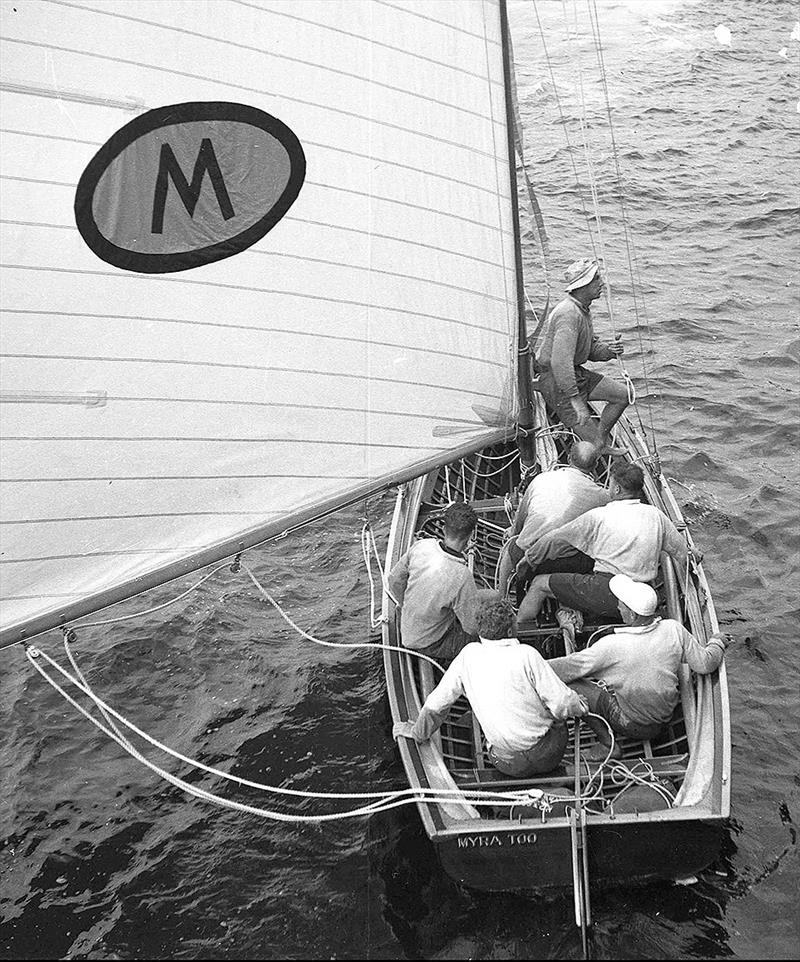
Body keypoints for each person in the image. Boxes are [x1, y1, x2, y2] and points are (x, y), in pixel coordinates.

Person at [393, 600, 588, 777]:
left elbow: (437, 704)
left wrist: (417, 733)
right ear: (511, 632)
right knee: (561, 711)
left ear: (480, 632)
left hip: (506, 763)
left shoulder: (467, 656)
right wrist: (579, 706)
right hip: (547, 756)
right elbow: (563, 702)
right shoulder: (527, 654)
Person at [548, 574, 732, 760]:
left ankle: (608, 744)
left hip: (631, 724)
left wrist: (528, 666)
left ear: (633, 614)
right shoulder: (673, 629)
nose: (618, 606)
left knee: (572, 686)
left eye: (621, 604)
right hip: (663, 719)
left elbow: (566, 668)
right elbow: (706, 664)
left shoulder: (611, 645)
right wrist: (717, 642)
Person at [517, 460, 690, 626]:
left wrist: (529, 559)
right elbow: (683, 554)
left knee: (539, 584)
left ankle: (519, 627)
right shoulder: (657, 515)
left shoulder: (598, 516)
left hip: (608, 594)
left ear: (616, 489)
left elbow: (555, 540)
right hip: (644, 598)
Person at [535, 258, 628, 451]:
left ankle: (600, 439)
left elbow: (589, 349)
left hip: (574, 372)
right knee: (592, 445)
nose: (601, 283)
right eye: (596, 279)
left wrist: (609, 351)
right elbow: (559, 363)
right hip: (555, 379)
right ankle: (598, 444)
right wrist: (576, 400)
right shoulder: (568, 314)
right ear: (582, 285)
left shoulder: (582, 309)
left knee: (623, 395)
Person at [497, 441, 610, 597]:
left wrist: (513, 532)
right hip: (567, 563)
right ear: (595, 466)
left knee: (510, 550)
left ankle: (501, 596)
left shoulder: (541, 479)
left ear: (569, 458)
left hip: (528, 558)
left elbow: (520, 519)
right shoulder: (602, 496)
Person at [387, 501, 487, 662]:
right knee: (485, 641)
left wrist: (404, 604)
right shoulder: (462, 576)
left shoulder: (421, 546)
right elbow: (471, 627)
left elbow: (394, 580)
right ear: (469, 536)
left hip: (407, 627)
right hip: (430, 643)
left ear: (443, 529)